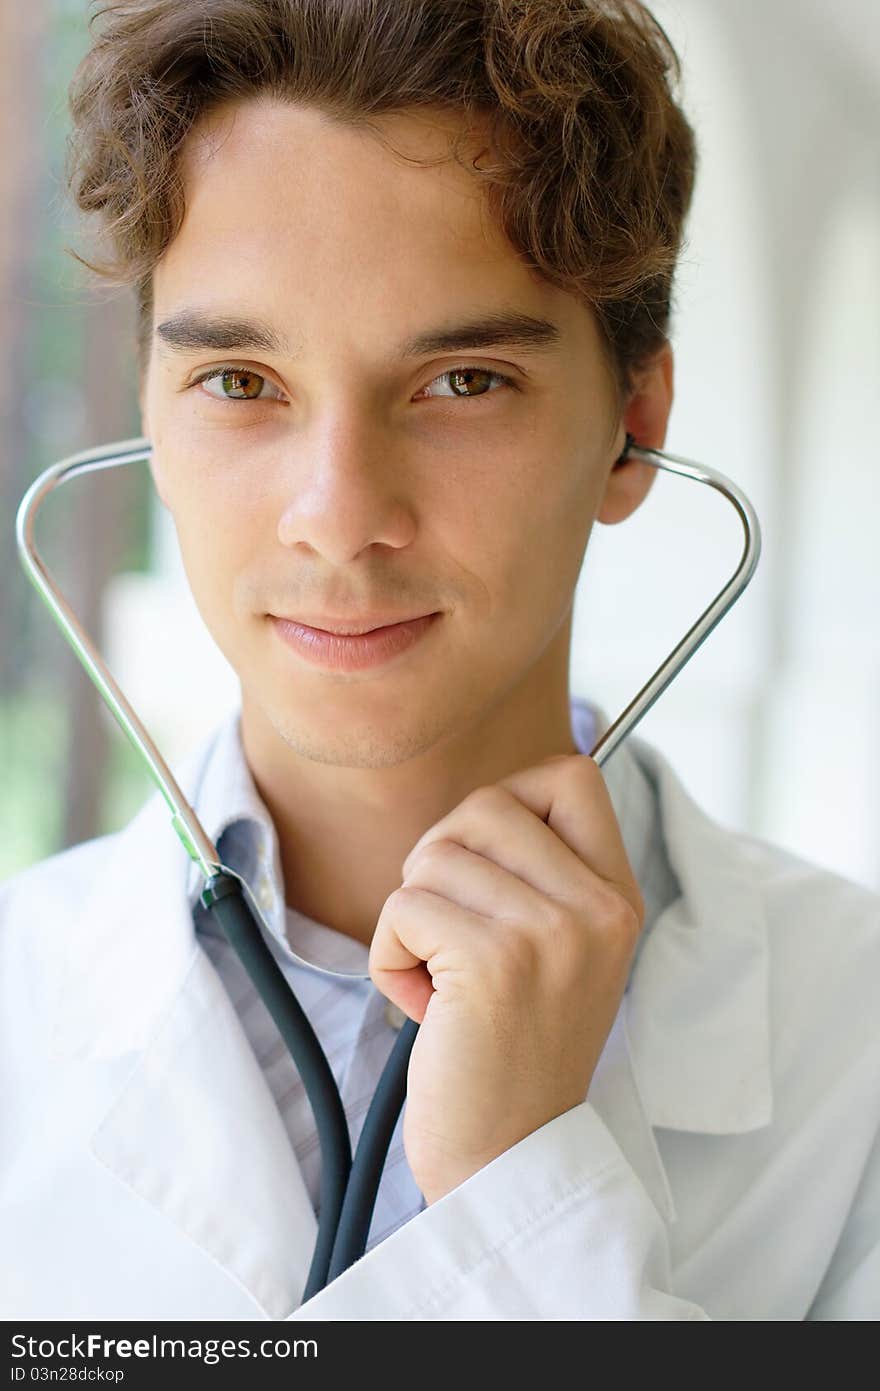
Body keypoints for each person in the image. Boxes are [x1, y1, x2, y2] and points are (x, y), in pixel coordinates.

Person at [1, 0, 877, 1322]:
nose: (339, 516)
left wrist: (516, 1183)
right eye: (241, 382)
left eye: (462, 382)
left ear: (633, 428)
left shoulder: (855, 1046)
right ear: (148, 416)